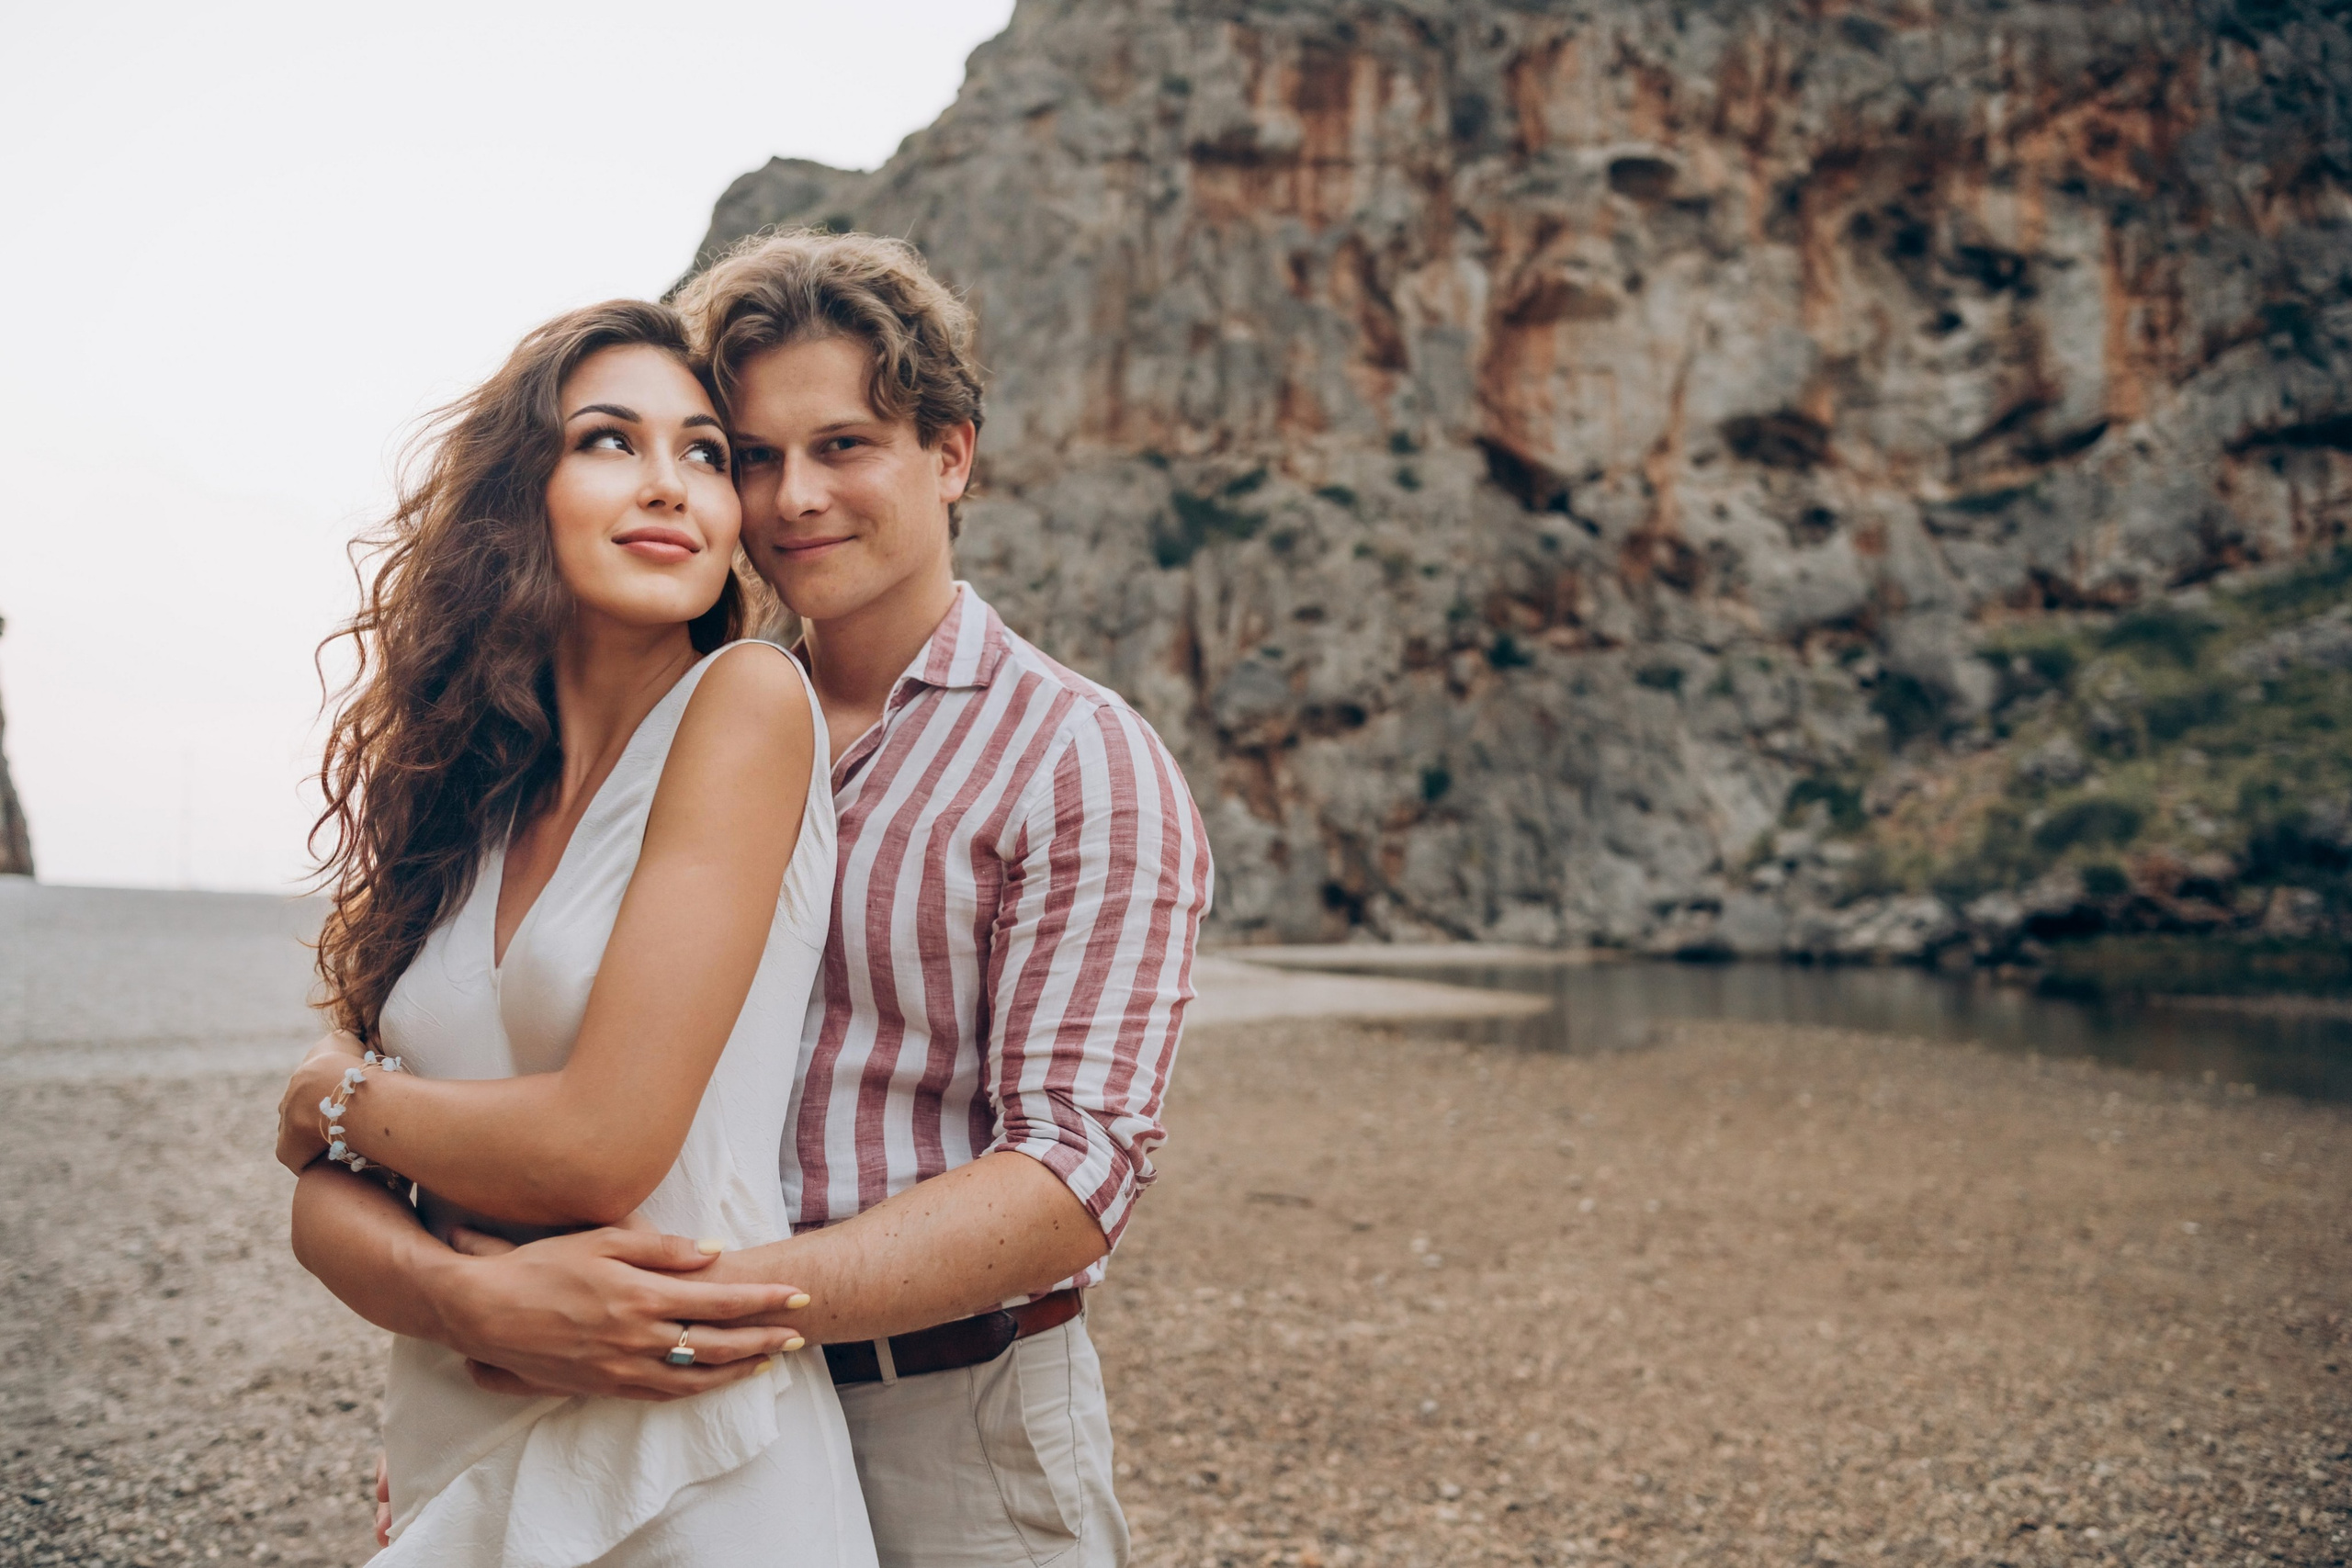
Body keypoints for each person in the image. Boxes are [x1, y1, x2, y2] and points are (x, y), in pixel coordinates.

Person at [289, 230, 1212, 1567]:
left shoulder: (1075, 755)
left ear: (952, 455)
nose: (793, 500)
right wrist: (497, 1328)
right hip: (635, 1385)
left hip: (949, 1412)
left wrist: (667, 1315)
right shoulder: (668, 718)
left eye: (844, 447)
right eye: (758, 456)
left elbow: (1074, 1172)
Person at [276, 299, 876, 1565]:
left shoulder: (746, 703)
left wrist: (333, 1099)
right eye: (611, 440)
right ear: (519, 494)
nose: (670, 485)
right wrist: (466, 1299)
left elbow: (598, 1146)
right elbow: (321, 1210)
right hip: (460, 1428)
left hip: (685, 1462)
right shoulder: (465, 789)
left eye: (708, 453)